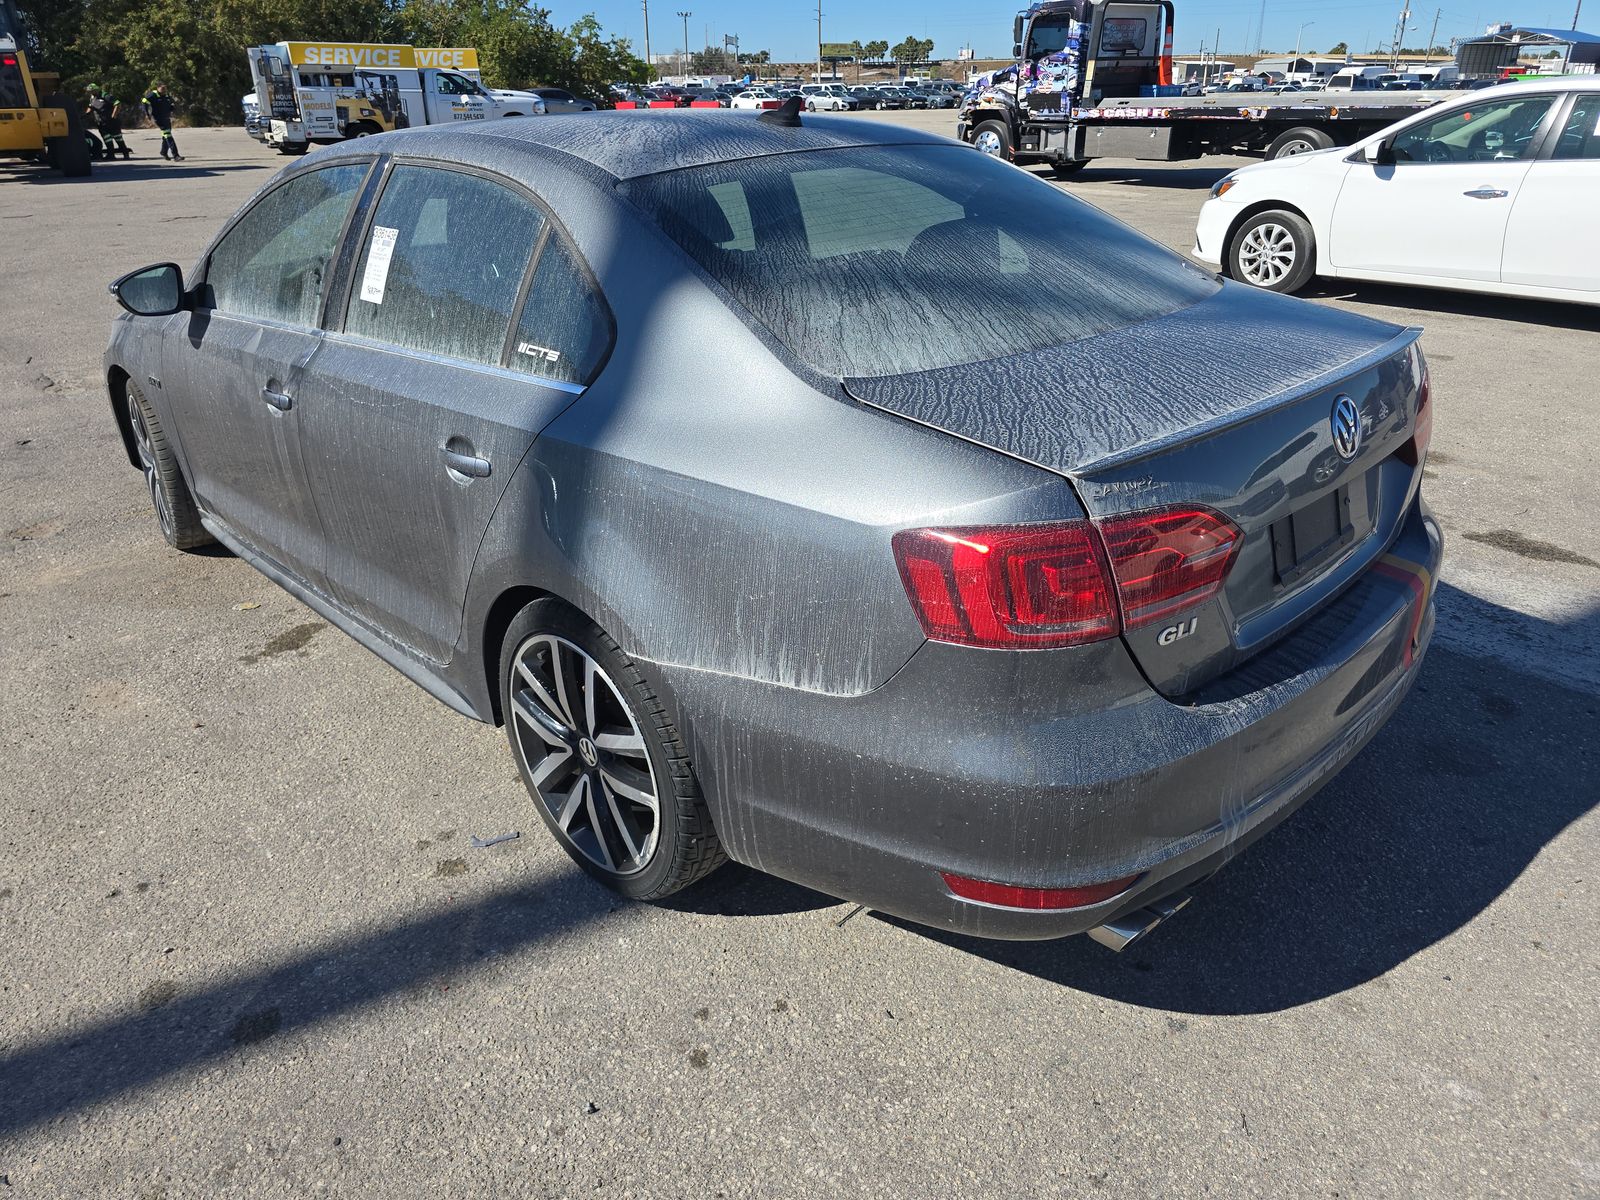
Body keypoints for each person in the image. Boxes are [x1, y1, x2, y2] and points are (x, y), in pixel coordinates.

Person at [86, 85, 133, 159]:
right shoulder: (92, 98)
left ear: (96, 90)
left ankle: (125, 153)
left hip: (111, 122)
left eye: (92, 91)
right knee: (107, 139)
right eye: (89, 91)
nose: (91, 93)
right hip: (101, 123)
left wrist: (113, 115)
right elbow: (90, 106)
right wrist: (87, 113)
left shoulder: (105, 95)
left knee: (118, 138)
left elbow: (117, 104)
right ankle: (111, 155)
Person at [142, 81, 183, 161]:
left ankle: (163, 152)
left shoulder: (166, 95)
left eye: (165, 89)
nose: (164, 90)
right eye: (163, 88)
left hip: (166, 118)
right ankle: (176, 155)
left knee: (166, 136)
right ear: (158, 88)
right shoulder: (153, 95)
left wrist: (172, 107)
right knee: (168, 135)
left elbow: (171, 103)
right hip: (158, 119)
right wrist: (147, 113)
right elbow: (144, 101)